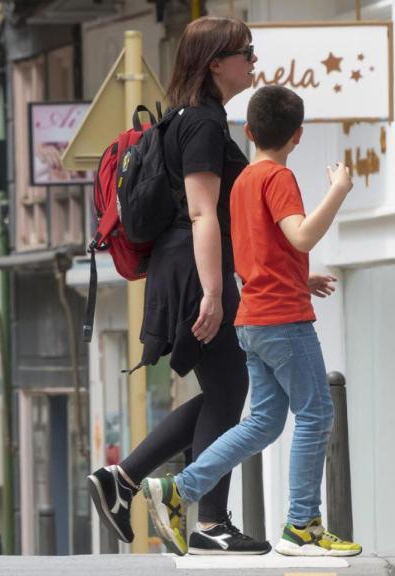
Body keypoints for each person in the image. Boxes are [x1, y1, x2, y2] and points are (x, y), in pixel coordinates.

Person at [142, 85, 361, 557]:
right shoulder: (277, 178)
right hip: (284, 320)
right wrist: (338, 191)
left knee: (263, 422)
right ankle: (301, 525)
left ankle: (179, 488)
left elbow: (254, 254)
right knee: (317, 413)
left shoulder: (240, 182)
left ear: (248, 131)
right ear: (298, 135)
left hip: (252, 318)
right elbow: (300, 236)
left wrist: (299, 280)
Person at [87, 15, 272, 555]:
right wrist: (214, 292)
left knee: (226, 390)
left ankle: (125, 481)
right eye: (246, 51)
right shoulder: (202, 126)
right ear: (216, 63)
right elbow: (201, 212)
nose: (253, 60)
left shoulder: (187, 120)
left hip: (186, 268)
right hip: (194, 271)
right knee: (230, 389)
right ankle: (208, 521)